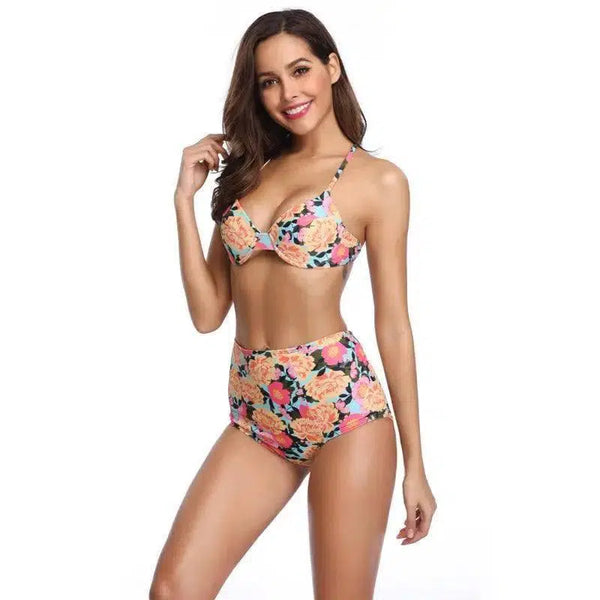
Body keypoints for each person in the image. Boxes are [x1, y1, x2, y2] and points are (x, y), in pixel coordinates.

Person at [151, 9, 436, 600]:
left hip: (344, 413)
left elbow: (394, 325)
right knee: (174, 590)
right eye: (269, 81)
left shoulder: (378, 182)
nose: (288, 93)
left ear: (332, 67)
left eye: (300, 70)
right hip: (255, 413)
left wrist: (416, 464)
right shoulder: (249, 173)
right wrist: (183, 202)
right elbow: (207, 314)